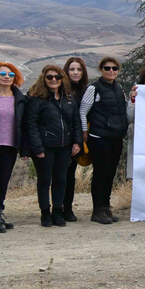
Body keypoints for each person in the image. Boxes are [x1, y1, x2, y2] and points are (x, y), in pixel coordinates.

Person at [25, 65, 82, 228]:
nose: (54, 80)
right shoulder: (37, 99)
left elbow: (76, 122)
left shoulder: (69, 99)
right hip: (45, 147)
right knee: (44, 180)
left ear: (62, 79)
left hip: (65, 147)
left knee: (61, 179)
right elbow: (31, 125)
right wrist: (38, 148)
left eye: (57, 77)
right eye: (49, 77)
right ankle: (45, 212)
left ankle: (57, 211)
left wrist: (77, 142)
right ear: (43, 79)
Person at [80, 56, 132, 225]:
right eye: (107, 68)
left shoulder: (119, 88)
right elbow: (82, 112)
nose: (111, 71)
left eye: (114, 68)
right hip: (99, 138)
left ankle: (106, 207)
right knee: (100, 174)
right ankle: (97, 210)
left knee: (110, 174)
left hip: (116, 138)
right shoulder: (93, 88)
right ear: (101, 70)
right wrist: (84, 132)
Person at [0, 62, 27, 233]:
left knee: (3, 182)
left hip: (10, 146)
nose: (6, 77)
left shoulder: (19, 99)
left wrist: (24, 148)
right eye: (2, 74)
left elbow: (23, 125)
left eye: (10, 75)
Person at [60, 56, 89, 223]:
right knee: (60, 175)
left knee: (70, 175)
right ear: (66, 71)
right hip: (61, 137)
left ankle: (68, 208)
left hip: (78, 138)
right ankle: (57, 208)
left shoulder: (87, 90)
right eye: (72, 69)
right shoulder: (60, 89)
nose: (76, 72)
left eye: (79, 69)